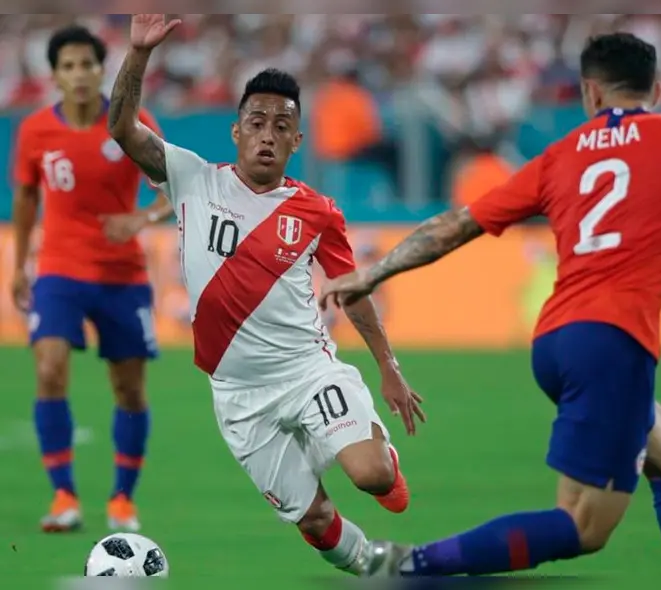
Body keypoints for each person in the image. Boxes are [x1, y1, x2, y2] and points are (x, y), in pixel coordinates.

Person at [320, 32, 661, 579]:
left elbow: (455, 226)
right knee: (583, 527)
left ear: (590, 92)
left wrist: (377, 269)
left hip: (557, 340)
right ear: (659, 88)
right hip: (614, 344)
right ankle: (411, 565)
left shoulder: (560, 155)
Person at [108, 14, 424, 576]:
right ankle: (381, 569)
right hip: (237, 395)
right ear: (236, 132)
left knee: (372, 477)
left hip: (307, 372)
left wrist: (389, 367)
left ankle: (385, 462)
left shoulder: (317, 212)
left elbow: (353, 292)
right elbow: (122, 128)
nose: (268, 135)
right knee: (315, 521)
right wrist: (137, 54)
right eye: (257, 123)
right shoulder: (192, 178)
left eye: (282, 126)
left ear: (297, 141)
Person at [10, 24, 173, 533]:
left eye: (88, 64)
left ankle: (123, 500)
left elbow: (175, 190)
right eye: (69, 66)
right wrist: (18, 266)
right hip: (59, 269)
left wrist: (141, 219)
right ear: (54, 75)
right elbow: (26, 198)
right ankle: (64, 496)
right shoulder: (35, 131)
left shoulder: (132, 122)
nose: (80, 74)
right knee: (49, 370)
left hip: (122, 275)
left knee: (128, 389)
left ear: (103, 69)